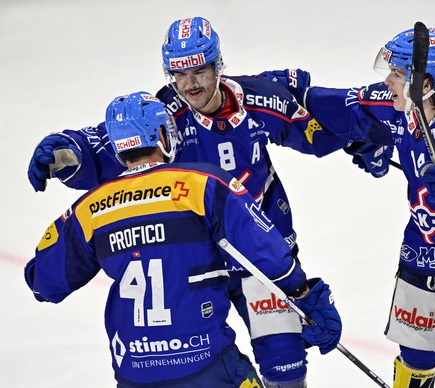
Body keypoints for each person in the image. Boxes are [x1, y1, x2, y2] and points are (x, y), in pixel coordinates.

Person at [26, 17, 391, 388]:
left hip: (258, 252)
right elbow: (118, 140)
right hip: (196, 260)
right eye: (179, 75)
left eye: (200, 70)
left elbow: (319, 119)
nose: (191, 84)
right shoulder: (163, 112)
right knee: (191, 356)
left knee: (286, 364)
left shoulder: (260, 99)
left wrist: (361, 133)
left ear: (218, 64)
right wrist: (68, 150)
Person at [24, 91, 342, 388]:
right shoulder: (204, 185)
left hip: (134, 374)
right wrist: (303, 292)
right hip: (207, 364)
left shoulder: (90, 208)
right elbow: (267, 252)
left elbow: (44, 283)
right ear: (162, 135)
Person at [271, 27, 435, 387]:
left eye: (396, 74)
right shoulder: (397, 106)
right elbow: (348, 104)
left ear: (424, 84)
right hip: (426, 249)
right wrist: (291, 91)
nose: (387, 81)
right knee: (416, 356)